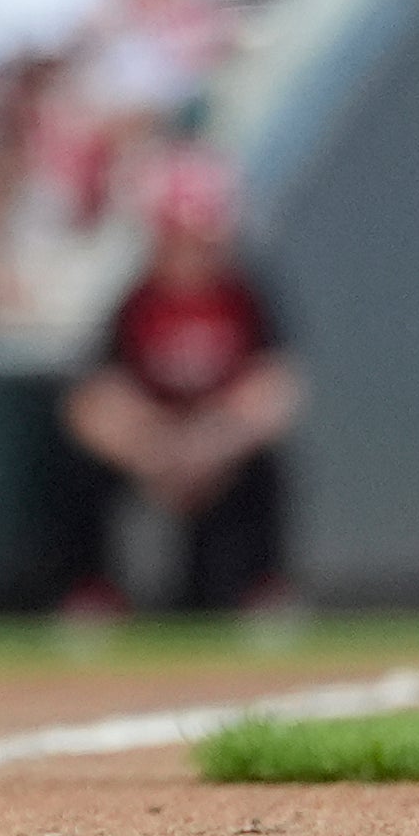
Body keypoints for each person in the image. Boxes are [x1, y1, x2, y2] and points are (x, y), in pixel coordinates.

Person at [52, 158, 298, 617]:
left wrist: (211, 443)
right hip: (153, 445)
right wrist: (156, 450)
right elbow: (94, 403)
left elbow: (276, 391)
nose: (187, 256)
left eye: (198, 242)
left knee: (267, 470)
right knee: (80, 473)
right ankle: (92, 592)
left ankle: (264, 590)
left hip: (220, 445)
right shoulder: (132, 302)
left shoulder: (246, 297)